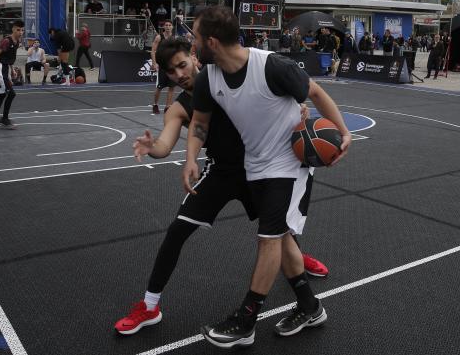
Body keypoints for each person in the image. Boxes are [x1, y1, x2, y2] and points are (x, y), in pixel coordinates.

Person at [114, 38, 329, 335]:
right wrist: (152, 148)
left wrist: (298, 107)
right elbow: (166, 144)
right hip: (220, 174)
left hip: (259, 167)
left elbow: (270, 95)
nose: (179, 74)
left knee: (278, 234)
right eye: (172, 71)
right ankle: (149, 306)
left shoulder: (223, 77)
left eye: (182, 64)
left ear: (193, 57)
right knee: (177, 231)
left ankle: (295, 264)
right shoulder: (180, 107)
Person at [184, 6, 351, 348]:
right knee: (283, 238)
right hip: (256, 165)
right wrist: (190, 158)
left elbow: (315, 93)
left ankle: (246, 319)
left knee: (269, 238)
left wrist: (343, 131)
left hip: (289, 163)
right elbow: (199, 122)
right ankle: (310, 306)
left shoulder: (271, 66)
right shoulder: (208, 78)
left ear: (212, 42)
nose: (192, 43)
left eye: (195, 37)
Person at [0, 20, 25, 129]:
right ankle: (5, 119)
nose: (20, 32)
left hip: (5, 67)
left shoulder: (18, 41)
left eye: (22, 30)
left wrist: (12, 69)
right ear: (13, 29)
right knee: (11, 93)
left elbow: (10, 57)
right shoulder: (6, 41)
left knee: (3, 94)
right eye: (18, 30)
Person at [151, 20, 176, 114]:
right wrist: (154, 63)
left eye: (170, 25)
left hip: (172, 66)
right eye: (166, 25)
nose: (168, 27)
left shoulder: (174, 38)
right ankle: (155, 105)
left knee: (171, 87)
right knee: (159, 87)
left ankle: (167, 107)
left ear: (172, 27)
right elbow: (153, 51)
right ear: (164, 27)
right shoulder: (159, 37)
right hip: (162, 65)